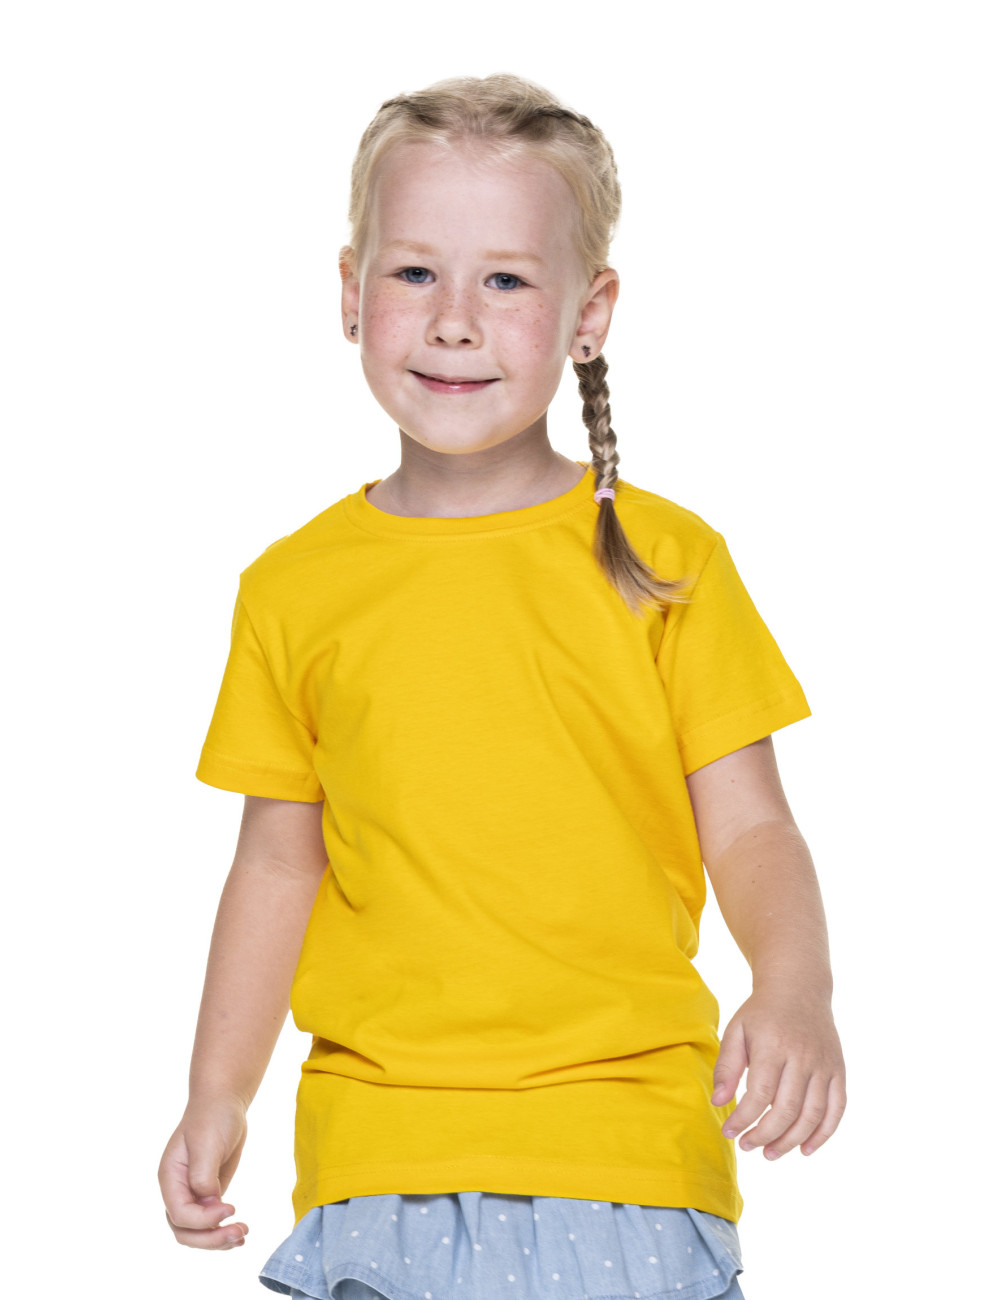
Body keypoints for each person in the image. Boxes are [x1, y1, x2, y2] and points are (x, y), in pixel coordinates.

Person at [158, 73, 846, 1300]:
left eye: (507, 281)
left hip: (626, 1150)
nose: (454, 321)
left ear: (590, 312)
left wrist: (794, 987)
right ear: (349, 292)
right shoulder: (292, 588)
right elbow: (274, 866)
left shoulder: (666, 560)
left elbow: (750, 827)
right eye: (415, 272)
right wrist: (219, 1091)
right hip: (379, 1151)